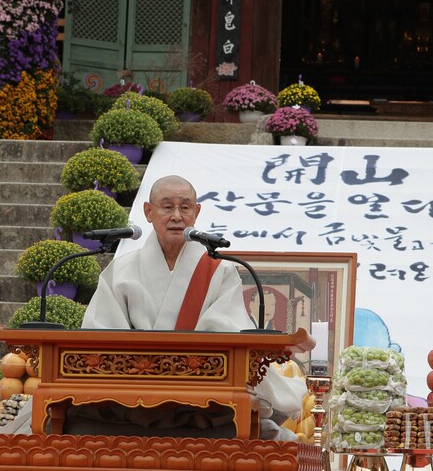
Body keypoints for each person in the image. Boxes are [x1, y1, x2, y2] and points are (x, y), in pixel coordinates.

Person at [80, 175, 307, 440]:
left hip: (201, 392)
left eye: (185, 207)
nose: (177, 215)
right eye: (167, 206)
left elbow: (227, 329)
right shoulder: (121, 270)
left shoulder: (218, 270)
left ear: (196, 212)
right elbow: (100, 332)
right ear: (148, 211)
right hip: (132, 393)